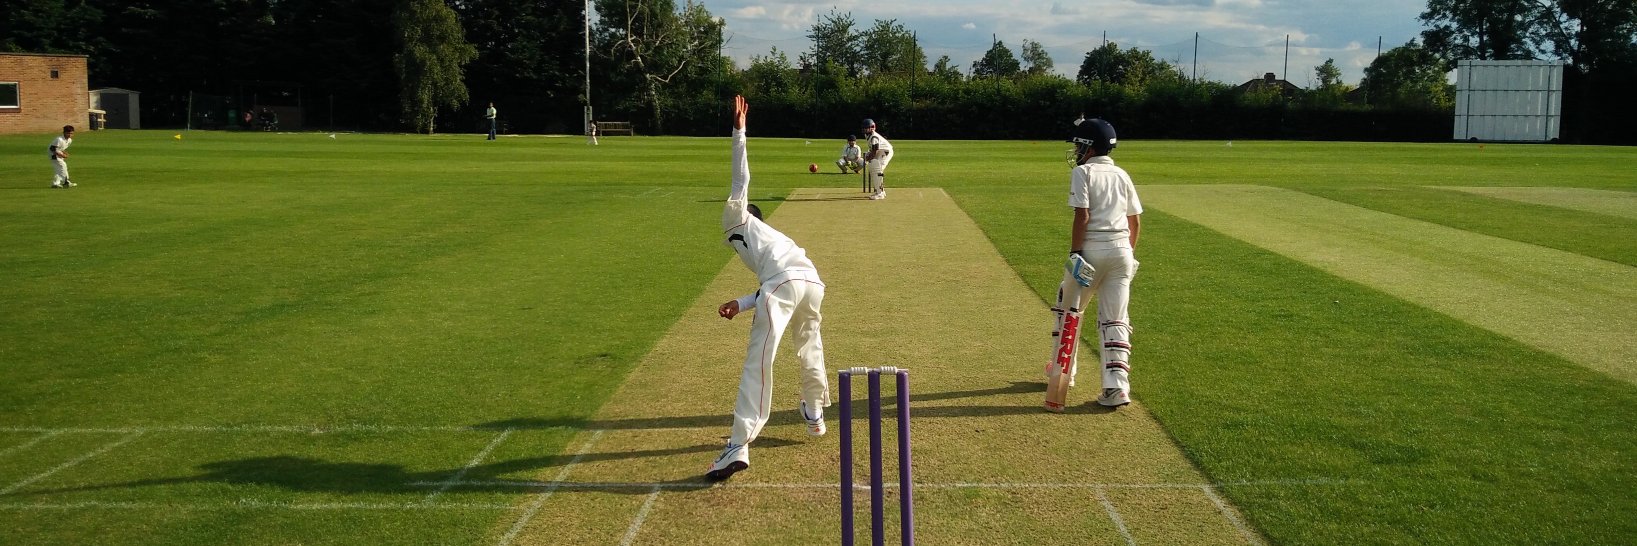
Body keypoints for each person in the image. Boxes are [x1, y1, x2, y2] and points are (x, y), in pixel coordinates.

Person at [706, 95, 830, 481]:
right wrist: (741, 303)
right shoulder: (772, 239)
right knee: (810, 346)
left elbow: (740, 178)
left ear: (746, 214)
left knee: (757, 362)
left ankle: (738, 445)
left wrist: (739, 130)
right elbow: (780, 284)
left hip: (785, 284)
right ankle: (814, 412)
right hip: (811, 282)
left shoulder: (736, 218)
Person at [1049, 118, 1142, 408]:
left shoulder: (1083, 172)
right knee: (1115, 319)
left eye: (1079, 144)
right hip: (1121, 254)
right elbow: (1135, 220)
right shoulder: (1122, 175)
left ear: (1089, 147)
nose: (1076, 150)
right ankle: (1116, 389)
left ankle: (1064, 373)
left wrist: (1076, 252)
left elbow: (1083, 216)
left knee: (1069, 310)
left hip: (1091, 251)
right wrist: (1127, 253)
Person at [861, 118, 893, 200]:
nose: (865, 129)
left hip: (886, 152)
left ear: (872, 127)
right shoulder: (867, 135)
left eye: (866, 128)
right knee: (875, 170)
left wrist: (868, 159)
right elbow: (873, 149)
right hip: (881, 151)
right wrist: (869, 155)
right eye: (864, 128)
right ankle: (880, 191)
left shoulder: (874, 137)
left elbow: (875, 151)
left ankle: (880, 193)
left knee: (878, 170)